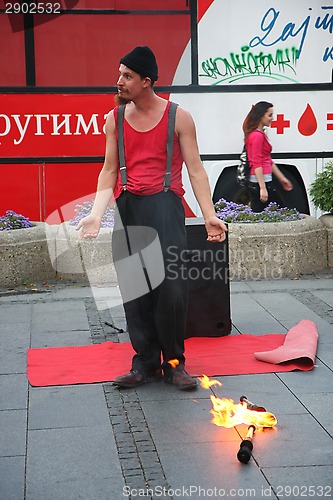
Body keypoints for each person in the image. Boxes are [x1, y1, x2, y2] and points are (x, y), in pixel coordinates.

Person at [76, 46, 227, 390]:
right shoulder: (113, 119)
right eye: (120, 74)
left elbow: (196, 170)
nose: (119, 81)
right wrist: (97, 215)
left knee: (171, 290)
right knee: (135, 290)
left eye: (127, 76)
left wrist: (209, 216)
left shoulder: (179, 117)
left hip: (166, 207)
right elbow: (109, 170)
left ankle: (174, 363)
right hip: (129, 207)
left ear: (147, 81)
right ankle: (144, 362)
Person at [243, 101, 293, 212]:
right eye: (270, 115)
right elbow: (256, 162)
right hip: (261, 181)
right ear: (261, 116)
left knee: (264, 212)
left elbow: (268, 160)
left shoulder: (258, 134)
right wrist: (263, 188)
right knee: (279, 211)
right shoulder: (257, 136)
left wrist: (282, 178)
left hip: (262, 180)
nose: (272, 118)